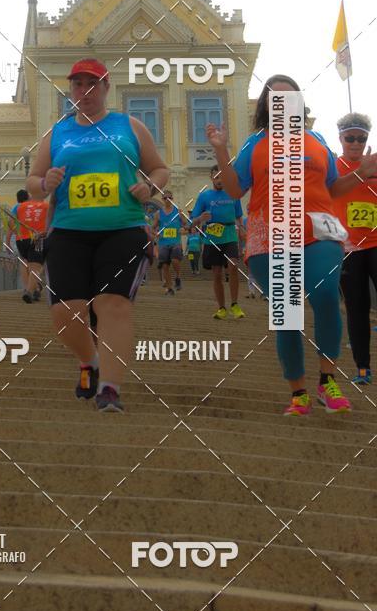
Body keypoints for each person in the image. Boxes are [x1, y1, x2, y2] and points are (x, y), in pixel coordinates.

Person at [207, 73, 377, 416]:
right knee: (288, 315)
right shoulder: (256, 143)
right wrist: (222, 150)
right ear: (267, 106)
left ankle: (327, 382)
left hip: (320, 231)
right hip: (271, 236)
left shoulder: (315, 139)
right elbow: (236, 189)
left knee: (327, 295)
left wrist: (362, 171)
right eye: (276, 98)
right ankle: (298, 392)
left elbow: (333, 188)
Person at [26, 58, 169, 413]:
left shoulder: (128, 126)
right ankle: (89, 362)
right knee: (66, 314)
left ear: (106, 88)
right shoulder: (57, 133)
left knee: (113, 305)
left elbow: (159, 168)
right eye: (78, 84)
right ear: (70, 90)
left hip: (123, 228)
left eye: (93, 84)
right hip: (69, 231)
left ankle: (109, 388)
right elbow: (32, 184)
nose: (84, 91)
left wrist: (149, 186)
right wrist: (46, 184)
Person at [333, 112, 377, 386]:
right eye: (350, 138)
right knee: (357, 308)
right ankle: (363, 368)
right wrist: (360, 175)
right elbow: (330, 193)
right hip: (349, 249)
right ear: (341, 139)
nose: (356, 143)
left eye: (361, 138)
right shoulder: (334, 166)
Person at [191, 165, 245, 320]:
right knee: (216, 274)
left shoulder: (233, 194)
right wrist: (200, 219)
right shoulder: (204, 196)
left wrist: (241, 228)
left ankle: (234, 304)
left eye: (222, 177)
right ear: (211, 178)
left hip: (229, 235)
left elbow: (239, 215)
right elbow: (192, 221)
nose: (219, 180)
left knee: (233, 265)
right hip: (212, 238)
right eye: (216, 177)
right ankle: (222, 308)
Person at [14, 195, 49, 302]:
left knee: (26, 265)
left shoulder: (20, 206)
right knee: (36, 267)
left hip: (21, 240)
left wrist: (18, 233)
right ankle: (29, 291)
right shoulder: (46, 206)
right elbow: (52, 223)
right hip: (37, 238)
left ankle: (34, 288)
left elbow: (11, 222)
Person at [154, 191, 184, 294]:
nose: (167, 200)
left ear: (172, 199)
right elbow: (153, 228)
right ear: (162, 199)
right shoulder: (158, 214)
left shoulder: (178, 212)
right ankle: (169, 288)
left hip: (175, 242)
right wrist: (156, 233)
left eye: (169, 198)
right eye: (165, 198)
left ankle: (178, 277)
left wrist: (183, 230)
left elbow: (186, 225)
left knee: (175, 261)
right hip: (163, 243)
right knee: (165, 266)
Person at [6, 189, 32, 297]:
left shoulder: (16, 207)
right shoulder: (32, 206)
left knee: (23, 262)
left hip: (21, 239)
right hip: (33, 237)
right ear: (27, 197)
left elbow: (10, 222)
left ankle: (26, 288)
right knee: (34, 263)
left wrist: (17, 231)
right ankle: (33, 286)